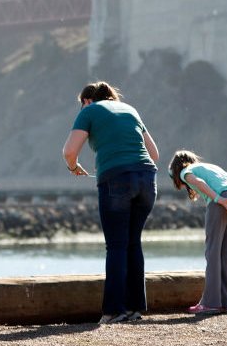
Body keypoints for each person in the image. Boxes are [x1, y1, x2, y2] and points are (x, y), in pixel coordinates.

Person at [62, 80, 159, 325]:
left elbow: (69, 151)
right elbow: (154, 153)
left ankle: (114, 311)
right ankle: (135, 308)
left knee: (116, 246)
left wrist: (73, 167)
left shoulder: (90, 111)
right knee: (133, 243)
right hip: (147, 178)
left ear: (86, 101)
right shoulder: (130, 109)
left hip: (116, 179)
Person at [168, 150, 227, 315]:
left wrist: (220, 200)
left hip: (220, 202)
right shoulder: (210, 167)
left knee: (213, 253)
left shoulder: (185, 171)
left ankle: (211, 303)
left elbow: (196, 181)